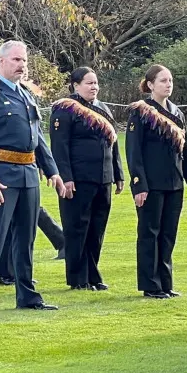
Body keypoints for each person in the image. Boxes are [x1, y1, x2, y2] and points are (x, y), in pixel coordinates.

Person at [0, 41, 65, 317]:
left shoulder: (26, 94)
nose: (22, 65)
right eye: (17, 60)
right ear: (2, 61)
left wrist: (52, 170)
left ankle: (27, 295)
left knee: (26, 238)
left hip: (28, 174)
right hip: (1, 175)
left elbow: (38, 137)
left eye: (25, 61)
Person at [126, 64, 187, 299]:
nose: (168, 85)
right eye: (163, 81)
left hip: (174, 183)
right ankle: (150, 284)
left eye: (170, 80)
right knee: (150, 233)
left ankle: (165, 282)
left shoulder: (178, 113)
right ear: (150, 85)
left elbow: (185, 152)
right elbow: (133, 151)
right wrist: (139, 185)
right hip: (151, 183)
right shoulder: (140, 111)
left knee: (168, 234)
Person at [52, 67, 124, 291]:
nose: (94, 87)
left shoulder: (103, 109)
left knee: (97, 228)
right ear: (75, 85)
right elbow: (59, 146)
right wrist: (66, 177)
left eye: (95, 83)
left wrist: (118, 173)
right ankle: (77, 277)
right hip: (78, 178)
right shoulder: (65, 109)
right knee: (77, 228)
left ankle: (93, 273)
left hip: (103, 178)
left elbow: (113, 142)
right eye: (88, 83)